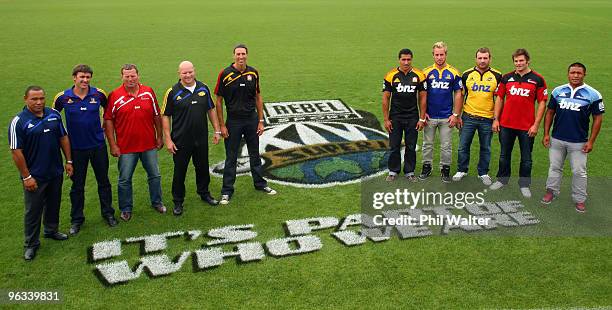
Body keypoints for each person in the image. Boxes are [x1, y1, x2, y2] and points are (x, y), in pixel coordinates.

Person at [9, 86, 74, 260]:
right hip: (34, 176)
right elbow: (16, 151)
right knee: (33, 210)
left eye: (41, 98)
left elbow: (63, 137)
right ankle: (31, 244)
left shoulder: (53, 114)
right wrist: (26, 176)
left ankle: (51, 230)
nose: (38, 102)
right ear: (25, 99)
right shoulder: (19, 121)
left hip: (55, 170)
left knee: (54, 203)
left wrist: (68, 161)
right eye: (34, 99)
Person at [53, 64, 117, 234]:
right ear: (74, 77)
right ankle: (76, 220)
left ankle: (108, 214)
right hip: (76, 149)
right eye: (81, 77)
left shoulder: (98, 94)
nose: (85, 80)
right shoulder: (63, 97)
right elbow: (53, 118)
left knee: (103, 182)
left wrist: (103, 127)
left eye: (88, 77)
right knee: (77, 186)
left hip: (98, 147)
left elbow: (108, 112)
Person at [214, 44, 277, 205]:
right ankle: (227, 191)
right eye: (238, 54)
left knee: (254, 154)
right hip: (233, 122)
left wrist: (261, 121)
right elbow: (219, 102)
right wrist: (222, 125)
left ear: (247, 55)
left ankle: (260, 184)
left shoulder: (253, 72)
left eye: (243, 54)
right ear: (233, 56)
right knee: (231, 157)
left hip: (251, 120)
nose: (241, 57)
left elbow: (258, 96)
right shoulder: (225, 74)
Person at [104, 64, 165, 221]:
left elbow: (157, 115)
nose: (130, 79)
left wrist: (159, 137)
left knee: (155, 175)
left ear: (138, 76)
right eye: (127, 76)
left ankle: (157, 202)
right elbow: (108, 121)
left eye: (133, 76)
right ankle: (126, 208)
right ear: (122, 77)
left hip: (149, 144)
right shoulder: (115, 95)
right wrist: (113, 144)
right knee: (124, 179)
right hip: (126, 148)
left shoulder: (148, 92)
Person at [541, 62, 604, 212]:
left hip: (579, 142)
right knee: (555, 167)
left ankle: (579, 199)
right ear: (568, 74)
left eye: (579, 73)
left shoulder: (593, 94)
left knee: (578, 171)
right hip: (557, 139)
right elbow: (550, 112)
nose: (575, 75)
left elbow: (598, 118)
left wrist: (591, 141)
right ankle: (551, 192)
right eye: (572, 73)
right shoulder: (557, 91)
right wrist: (546, 134)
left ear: (584, 74)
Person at [162, 61, 222, 215]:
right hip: (181, 140)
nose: (188, 75)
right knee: (180, 171)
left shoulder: (203, 88)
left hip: (200, 138)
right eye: (184, 73)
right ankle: (178, 201)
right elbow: (165, 116)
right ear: (179, 73)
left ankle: (204, 193)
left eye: (190, 72)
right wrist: (168, 139)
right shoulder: (172, 91)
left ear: (194, 71)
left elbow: (211, 110)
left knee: (202, 167)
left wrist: (217, 130)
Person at [490, 48, 548, 198]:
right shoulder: (506, 78)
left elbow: (542, 103)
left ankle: (524, 184)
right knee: (504, 155)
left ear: (528, 61)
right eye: (516, 61)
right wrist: (496, 119)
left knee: (526, 158)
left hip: (526, 127)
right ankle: (502, 180)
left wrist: (536, 124)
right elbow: (500, 98)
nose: (518, 63)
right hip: (506, 125)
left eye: (521, 60)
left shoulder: (538, 79)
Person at [452, 48, 502, 185]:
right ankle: (462, 170)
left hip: (487, 118)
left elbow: (499, 99)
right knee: (463, 146)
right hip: (468, 117)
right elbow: (461, 95)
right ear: (476, 59)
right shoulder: (467, 74)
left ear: (490, 59)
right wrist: (458, 115)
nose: (482, 61)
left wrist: (496, 119)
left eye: (485, 58)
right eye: (480, 58)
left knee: (485, 147)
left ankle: (483, 172)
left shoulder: (497, 76)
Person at [420, 41, 463, 182]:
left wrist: (455, 114)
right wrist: (422, 113)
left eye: (442, 54)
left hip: (447, 117)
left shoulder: (454, 72)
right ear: (433, 55)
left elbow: (458, 93)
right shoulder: (425, 72)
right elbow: (421, 94)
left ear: (446, 54)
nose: (439, 57)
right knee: (427, 144)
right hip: (429, 116)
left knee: (446, 146)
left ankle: (445, 169)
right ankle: (426, 167)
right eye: (437, 55)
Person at [382, 48, 427, 182]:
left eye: (408, 59)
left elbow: (423, 98)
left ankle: (409, 171)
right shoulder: (390, 75)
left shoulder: (419, 75)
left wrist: (421, 118)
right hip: (395, 116)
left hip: (412, 116)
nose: (406, 62)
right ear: (399, 60)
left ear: (411, 59)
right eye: (403, 59)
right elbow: (385, 98)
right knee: (394, 145)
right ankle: (393, 171)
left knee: (411, 146)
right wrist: (386, 119)